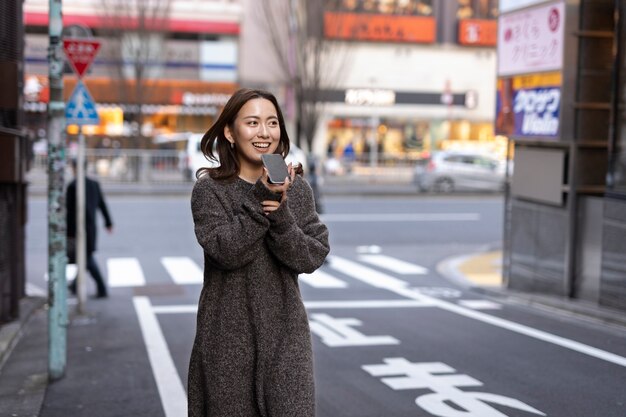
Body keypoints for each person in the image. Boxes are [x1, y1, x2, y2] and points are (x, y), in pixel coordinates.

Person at [188, 88, 330, 417]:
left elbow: (311, 255)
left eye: (272, 123)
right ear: (229, 132)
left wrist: (281, 215)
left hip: (286, 341)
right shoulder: (210, 190)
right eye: (252, 122)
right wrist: (261, 198)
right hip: (226, 341)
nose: (264, 132)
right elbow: (227, 251)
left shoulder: (297, 190)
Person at [66, 160, 113, 299]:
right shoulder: (94, 184)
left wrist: (68, 233)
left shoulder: (73, 186)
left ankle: (101, 288)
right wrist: (108, 223)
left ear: (75, 168)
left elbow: (69, 213)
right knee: (85, 257)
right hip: (91, 228)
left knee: (87, 258)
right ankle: (75, 285)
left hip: (76, 229)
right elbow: (102, 204)